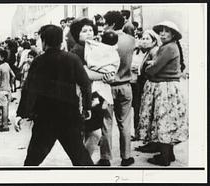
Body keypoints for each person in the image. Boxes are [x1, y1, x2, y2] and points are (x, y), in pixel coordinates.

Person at [16, 24, 94, 166]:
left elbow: (28, 89)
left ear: (44, 41)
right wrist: (87, 107)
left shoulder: (38, 61)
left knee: (32, 161)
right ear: (61, 41)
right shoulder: (73, 59)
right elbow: (85, 84)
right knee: (81, 158)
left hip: (45, 119)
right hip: (69, 117)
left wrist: (21, 114)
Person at [70, 18, 120, 166]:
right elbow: (84, 74)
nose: (89, 33)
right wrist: (106, 75)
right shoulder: (78, 50)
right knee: (93, 132)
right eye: (84, 31)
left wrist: (109, 75)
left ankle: (83, 163)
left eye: (91, 30)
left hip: (96, 94)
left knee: (91, 131)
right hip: (84, 95)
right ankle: (83, 163)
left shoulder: (95, 47)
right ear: (76, 34)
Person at [138, 21, 188, 166]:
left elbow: (153, 69)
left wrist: (148, 68)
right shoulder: (169, 47)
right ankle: (169, 154)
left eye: (167, 31)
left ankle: (164, 158)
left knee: (163, 121)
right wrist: (151, 65)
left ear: (173, 34)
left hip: (164, 88)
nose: (162, 34)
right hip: (166, 86)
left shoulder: (168, 48)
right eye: (161, 31)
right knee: (167, 120)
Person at [102, 11, 135, 166]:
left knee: (106, 123)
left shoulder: (103, 41)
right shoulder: (131, 40)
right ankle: (126, 157)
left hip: (107, 87)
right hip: (125, 84)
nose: (103, 26)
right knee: (125, 123)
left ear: (112, 24)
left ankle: (106, 158)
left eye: (105, 23)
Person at [131, 29, 161, 143]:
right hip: (139, 83)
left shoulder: (154, 52)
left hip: (147, 83)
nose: (144, 41)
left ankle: (149, 138)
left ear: (154, 41)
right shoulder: (140, 51)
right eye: (143, 38)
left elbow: (153, 67)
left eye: (147, 39)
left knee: (148, 111)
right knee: (139, 109)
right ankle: (141, 135)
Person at [0, 47, 15, 132]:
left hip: (1, 90)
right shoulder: (7, 65)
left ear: (2, 58)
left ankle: (5, 125)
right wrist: (10, 84)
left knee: (2, 108)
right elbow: (13, 76)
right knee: (6, 107)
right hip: (8, 89)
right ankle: (4, 123)